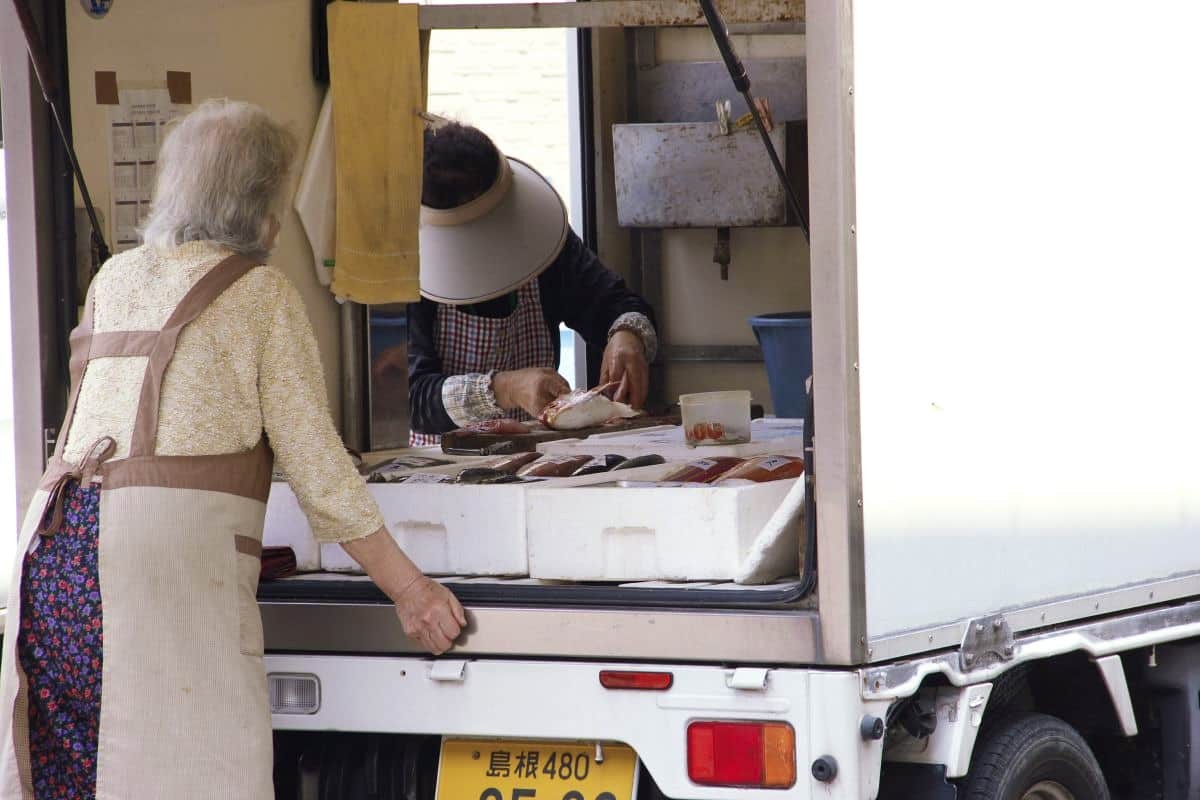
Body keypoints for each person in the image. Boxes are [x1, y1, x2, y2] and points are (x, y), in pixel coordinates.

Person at [0, 99, 464, 800]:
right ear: (262, 206)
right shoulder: (259, 295)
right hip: (159, 557)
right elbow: (317, 465)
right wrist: (410, 588)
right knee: (194, 765)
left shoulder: (115, 278)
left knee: (82, 771)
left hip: (54, 554)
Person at [396, 122, 658, 445]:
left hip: (533, 463)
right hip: (439, 474)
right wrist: (504, 389)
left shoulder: (542, 243)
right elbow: (411, 398)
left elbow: (615, 302)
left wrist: (626, 334)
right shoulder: (408, 273)